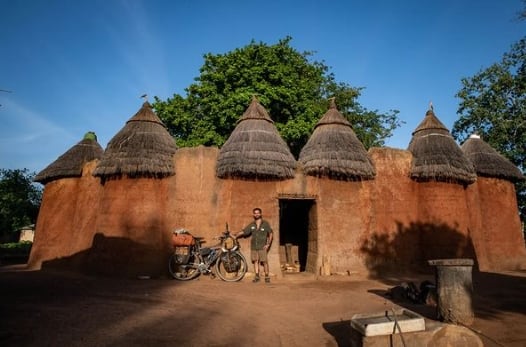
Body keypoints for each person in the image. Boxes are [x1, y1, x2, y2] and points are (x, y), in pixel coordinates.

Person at [235, 207, 273, 283]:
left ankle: (267, 276)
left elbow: (270, 233)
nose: (256, 214)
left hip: (262, 246)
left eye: (258, 213)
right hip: (254, 246)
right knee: (255, 261)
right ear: (253, 214)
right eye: (255, 213)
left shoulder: (265, 224)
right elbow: (244, 231)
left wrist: (268, 244)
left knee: (264, 261)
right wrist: (235, 236)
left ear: (260, 214)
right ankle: (257, 276)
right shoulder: (252, 225)